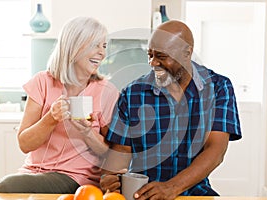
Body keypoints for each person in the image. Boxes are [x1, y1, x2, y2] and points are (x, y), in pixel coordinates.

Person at [99, 20, 242, 199]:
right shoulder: (132, 93)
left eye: (161, 56)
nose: (153, 63)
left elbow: (216, 151)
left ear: (187, 53)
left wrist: (171, 188)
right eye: (149, 55)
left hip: (194, 193)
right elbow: (121, 151)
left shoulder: (218, 87)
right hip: (142, 194)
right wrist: (109, 177)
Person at [0, 16, 119, 193]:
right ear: (73, 47)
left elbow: (112, 153)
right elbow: (24, 144)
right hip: (33, 172)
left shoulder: (106, 91)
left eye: (103, 46)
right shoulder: (42, 82)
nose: (102, 53)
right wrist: (51, 118)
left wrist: (87, 132)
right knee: (8, 187)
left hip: (77, 179)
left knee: (6, 186)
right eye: (94, 45)